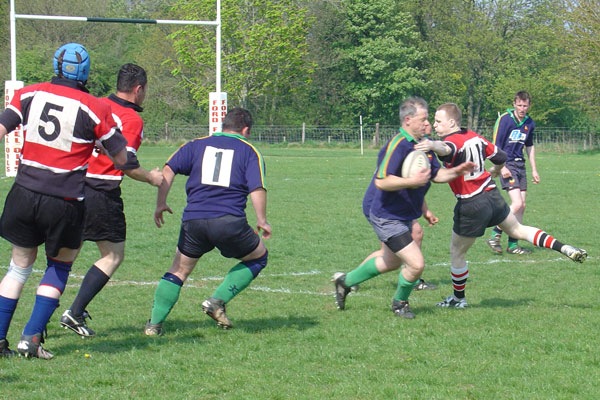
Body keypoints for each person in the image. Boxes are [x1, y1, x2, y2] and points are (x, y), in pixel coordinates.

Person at [0, 43, 127, 359]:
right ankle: (31, 340)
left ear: (56, 66)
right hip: (64, 199)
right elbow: (121, 157)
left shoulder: (28, 94)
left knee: (18, 267)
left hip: (24, 192)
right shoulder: (95, 107)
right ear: (85, 72)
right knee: (59, 265)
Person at [415, 103, 587, 308]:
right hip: (492, 195)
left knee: (457, 251)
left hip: (471, 204)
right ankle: (564, 247)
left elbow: (446, 148)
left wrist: (432, 145)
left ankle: (458, 299)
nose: (434, 125)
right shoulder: (474, 136)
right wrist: (496, 170)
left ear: (452, 122)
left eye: (438, 121)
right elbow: (501, 157)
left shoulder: (450, 141)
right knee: (518, 230)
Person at [332, 97, 475, 319]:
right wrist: (411, 181)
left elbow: (436, 175)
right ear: (408, 120)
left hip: (404, 215)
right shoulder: (397, 145)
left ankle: (345, 282)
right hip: (387, 216)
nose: (427, 123)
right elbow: (382, 181)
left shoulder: (423, 145)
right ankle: (400, 304)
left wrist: (458, 171)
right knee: (416, 264)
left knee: (390, 261)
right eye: (423, 119)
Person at [144, 107, 271, 335]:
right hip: (228, 222)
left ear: (224, 126)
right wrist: (262, 220)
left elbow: (168, 169)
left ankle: (154, 325)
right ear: (246, 130)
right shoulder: (249, 151)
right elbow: (257, 188)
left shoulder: (196, 144)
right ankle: (216, 301)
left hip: (194, 221)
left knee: (179, 270)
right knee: (258, 256)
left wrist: (160, 203)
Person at [59, 64, 163, 337]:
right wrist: (152, 178)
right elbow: (127, 164)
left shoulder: (93, 104)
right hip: (101, 192)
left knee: (63, 258)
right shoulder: (131, 119)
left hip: (69, 186)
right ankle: (75, 312)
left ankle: (36, 324)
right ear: (138, 89)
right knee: (113, 255)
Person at [486, 91, 539, 255]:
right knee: (516, 204)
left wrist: (534, 169)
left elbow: (529, 146)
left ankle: (513, 245)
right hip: (507, 164)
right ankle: (495, 234)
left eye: (525, 105)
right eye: (519, 105)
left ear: (529, 105)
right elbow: (495, 146)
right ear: (514, 104)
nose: (522, 108)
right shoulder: (505, 120)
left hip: (520, 165)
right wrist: (501, 167)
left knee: (522, 207)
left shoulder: (529, 123)